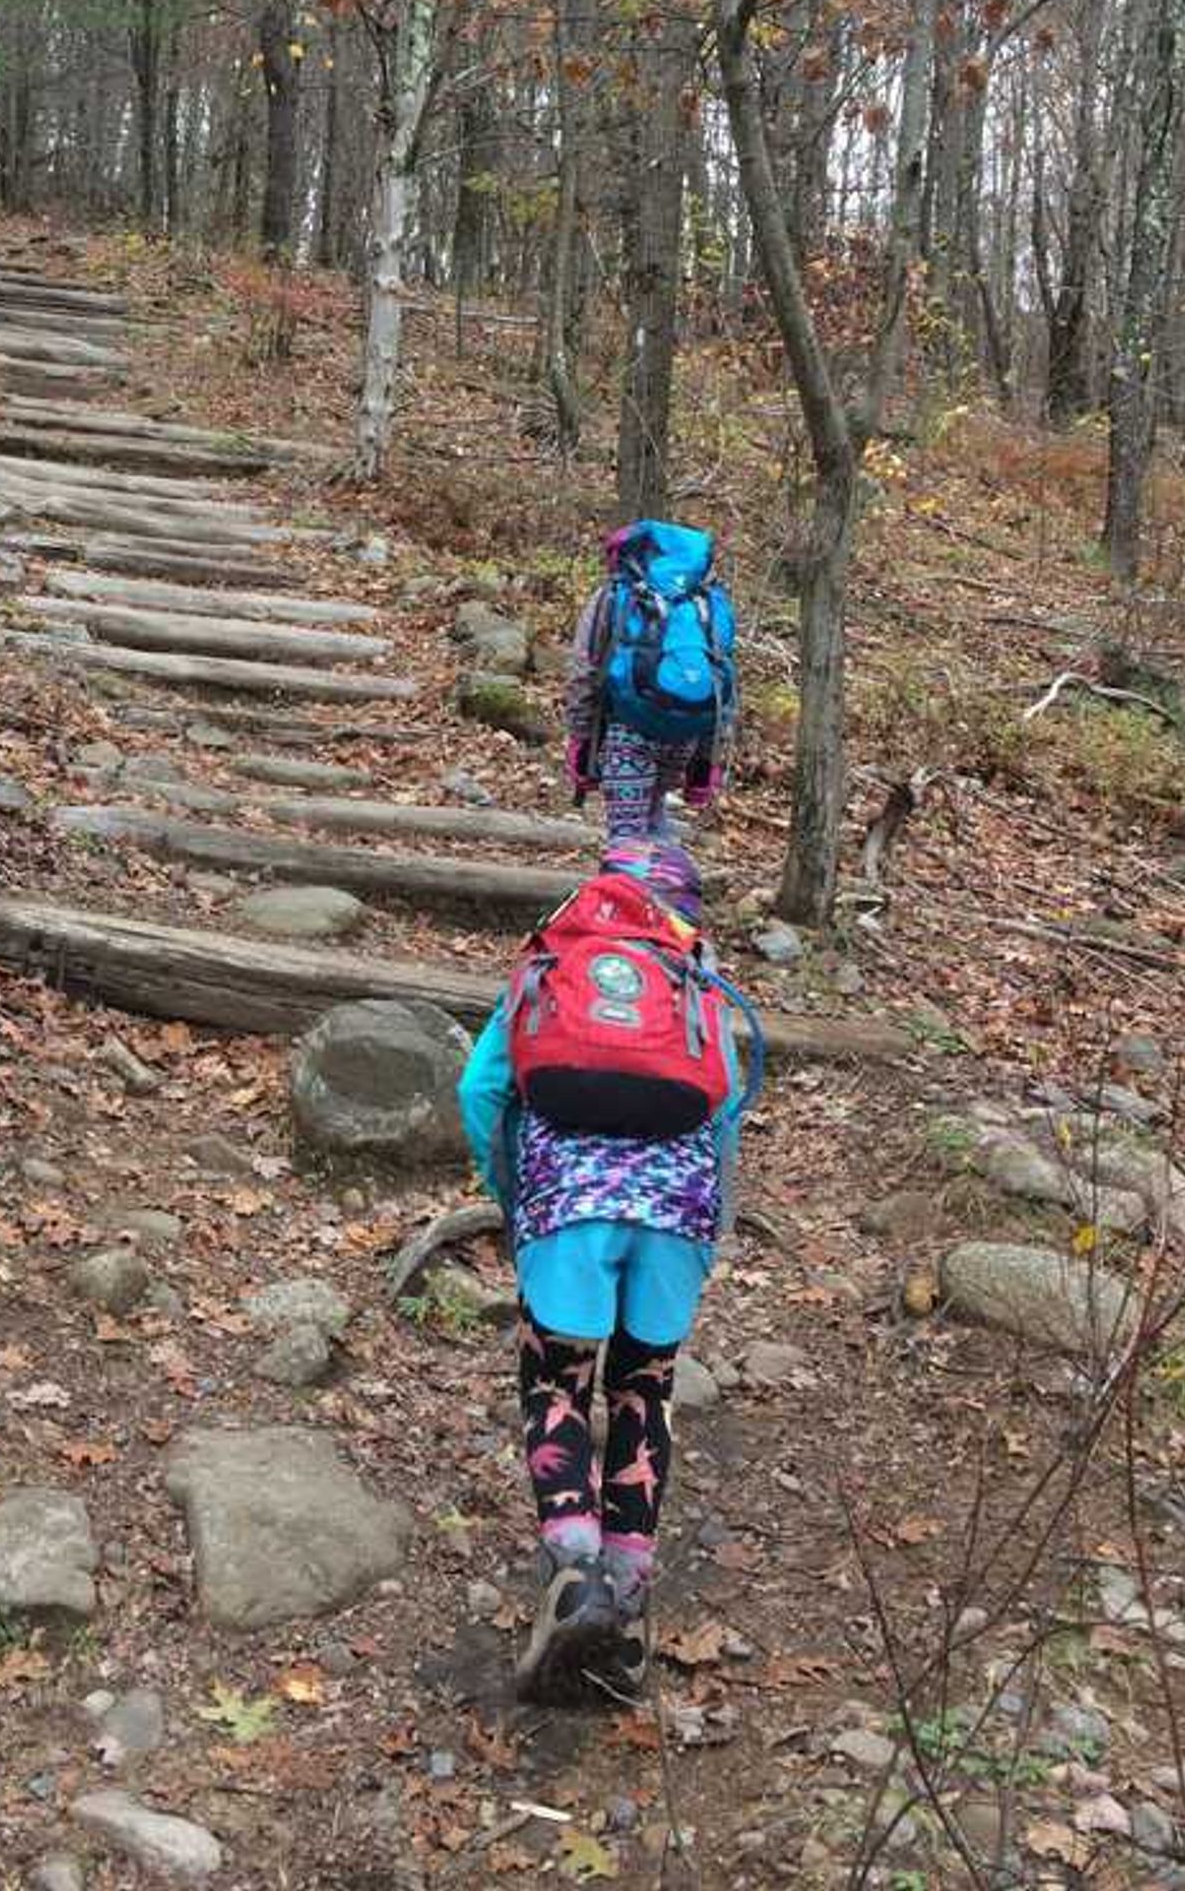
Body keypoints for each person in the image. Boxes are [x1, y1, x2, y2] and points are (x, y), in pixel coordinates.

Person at [458, 837, 730, 1703]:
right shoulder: (697, 976)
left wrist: (512, 1189)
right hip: (676, 1211)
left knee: (557, 1384)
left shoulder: (556, 958)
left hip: (564, 1208)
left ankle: (572, 1578)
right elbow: (723, 1115)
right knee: (644, 1390)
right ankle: (629, 1601)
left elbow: (478, 1090)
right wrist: (705, 1222)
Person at [565, 528, 727, 839]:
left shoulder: (614, 596)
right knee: (654, 821)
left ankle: (631, 885)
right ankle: (660, 883)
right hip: (684, 735)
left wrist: (580, 738)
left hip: (629, 730)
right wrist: (708, 759)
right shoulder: (705, 601)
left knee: (626, 839)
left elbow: (584, 671)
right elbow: (723, 685)